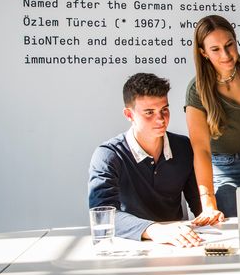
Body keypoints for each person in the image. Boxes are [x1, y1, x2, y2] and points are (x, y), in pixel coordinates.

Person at [88, 73, 219, 247]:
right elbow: (103, 214)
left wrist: (211, 215)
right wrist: (155, 230)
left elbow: (197, 202)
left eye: (164, 109)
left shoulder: (183, 146)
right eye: (149, 112)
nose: (161, 119)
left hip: (178, 244)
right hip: (130, 245)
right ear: (129, 115)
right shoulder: (108, 155)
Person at [185, 15, 240, 218]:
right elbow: (202, 151)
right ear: (203, 53)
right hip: (224, 169)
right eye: (215, 49)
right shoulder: (196, 90)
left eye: (229, 44)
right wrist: (208, 202)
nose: (226, 54)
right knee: (238, 225)